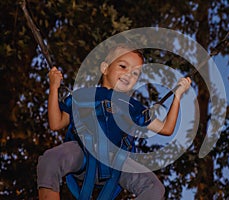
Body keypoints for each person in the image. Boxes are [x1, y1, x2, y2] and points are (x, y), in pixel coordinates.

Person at [37, 44, 191, 200]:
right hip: (83, 153)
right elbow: (56, 124)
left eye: (135, 73)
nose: (128, 74)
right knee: (50, 159)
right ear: (105, 68)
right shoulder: (83, 95)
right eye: (123, 66)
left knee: (155, 187)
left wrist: (177, 96)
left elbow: (166, 128)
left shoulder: (133, 107)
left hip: (116, 161)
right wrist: (54, 87)